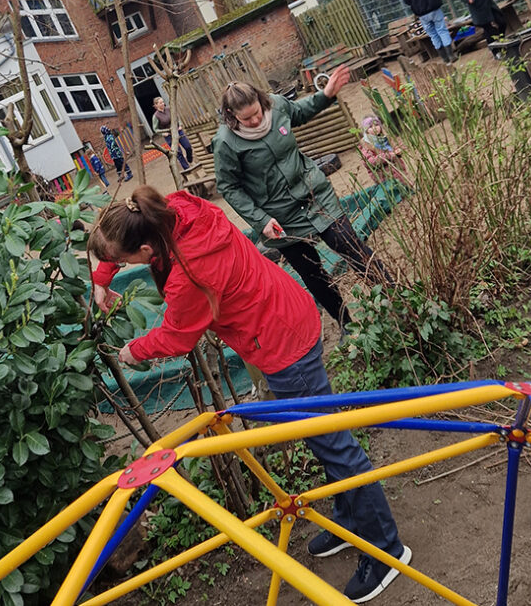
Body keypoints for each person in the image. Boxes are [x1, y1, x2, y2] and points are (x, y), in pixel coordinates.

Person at [89, 186, 411, 603]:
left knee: (334, 445)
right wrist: (102, 280)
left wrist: (134, 350)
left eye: (123, 261)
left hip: (282, 345)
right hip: (283, 314)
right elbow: (117, 234)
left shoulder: (191, 273)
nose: (121, 266)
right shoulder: (178, 208)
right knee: (320, 437)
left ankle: (386, 550)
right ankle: (351, 518)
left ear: (147, 250)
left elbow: (177, 336)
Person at [212, 65, 392, 330]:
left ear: (261, 100)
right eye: (246, 118)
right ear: (231, 115)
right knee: (312, 272)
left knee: (351, 245)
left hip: (313, 194)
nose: (256, 120)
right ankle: (346, 324)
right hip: (278, 216)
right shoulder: (226, 142)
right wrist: (261, 220)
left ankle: (394, 295)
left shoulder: (276, 105)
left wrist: (325, 95)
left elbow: (300, 111)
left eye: (257, 112)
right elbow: (229, 187)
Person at [400, 0, 455, 64]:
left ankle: (444, 58)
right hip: (435, 9)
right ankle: (451, 55)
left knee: (433, 35)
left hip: (422, 14)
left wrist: (416, 3)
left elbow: (407, 1)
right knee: (442, 30)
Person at [357, 115, 411, 188]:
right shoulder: (366, 145)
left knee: (407, 186)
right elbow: (371, 162)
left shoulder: (385, 138)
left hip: (399, 171)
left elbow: (395, 147)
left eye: (376, 125)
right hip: (384, 176)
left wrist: (398, 151)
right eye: (370, 127)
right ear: (366, 131)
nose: (374, 128)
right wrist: (388, 155)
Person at [151, 97, 194, 170]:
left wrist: (180, 125)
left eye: (163, 102)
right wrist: (163, 133)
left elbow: (177, 118)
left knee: (188, 146)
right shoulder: (156, 116)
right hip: (169, 135)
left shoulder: (169, 109)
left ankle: (189, 159)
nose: (163, 104)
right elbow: (155, 129)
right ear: (156, 105)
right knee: (178, 152)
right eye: (160, 103)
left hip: (178, 131)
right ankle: (187, 168)